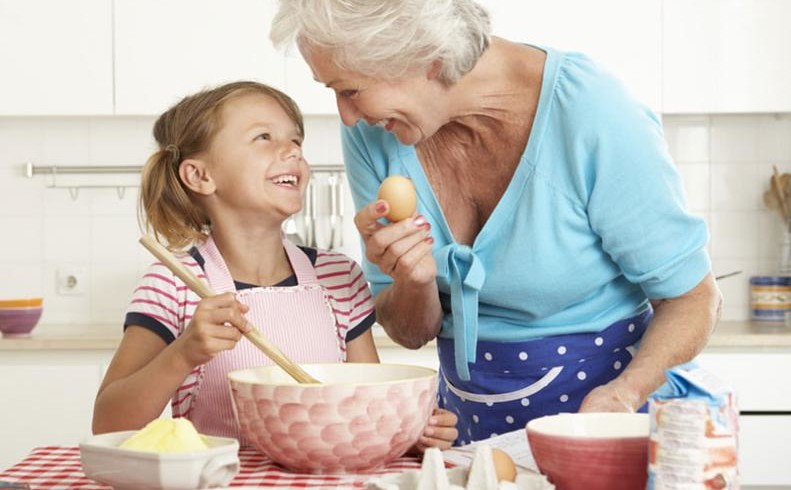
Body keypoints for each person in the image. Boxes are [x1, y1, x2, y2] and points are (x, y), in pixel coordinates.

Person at [271, 0, 722, 445]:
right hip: (473, 424)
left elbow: (693, 298)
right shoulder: (376, 133)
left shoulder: (591, 113)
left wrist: (623, 396)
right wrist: (413, 279)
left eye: (349, 90)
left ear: (427, 58)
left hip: (606, 423)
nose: (346, 115)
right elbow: (410, 334)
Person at [92, 81, 457, 451]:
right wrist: (184, 352)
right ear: (200, 176)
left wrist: (411, 432)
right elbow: (108, 424)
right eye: (264, 137)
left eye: (296, 140)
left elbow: (370, 410)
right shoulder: (173, 285)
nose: (293, 151)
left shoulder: (340, 278)